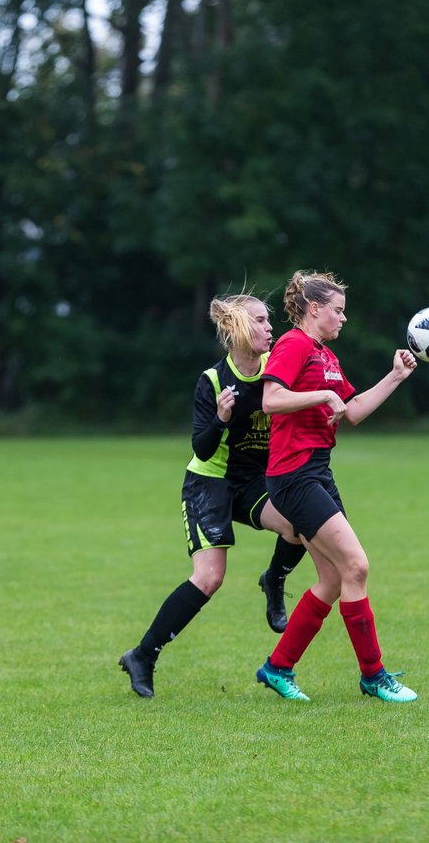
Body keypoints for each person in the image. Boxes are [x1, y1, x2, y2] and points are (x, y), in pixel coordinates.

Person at [119, 294, 308, 699]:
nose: (270, 328)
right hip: (211, 484)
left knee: (299, 525)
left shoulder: (277, 366)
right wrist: (221, 419)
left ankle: (273, 580)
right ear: (239, 328)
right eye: (260, 320)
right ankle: (143, 655)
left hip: (256, 480)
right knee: (209, 578)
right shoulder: (214, 381)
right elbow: (201, 449)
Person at [254, 270, 420, 703]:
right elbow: (270, 399)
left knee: (331, 577)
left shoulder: (325, 356)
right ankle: (374, 675)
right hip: (294, 473)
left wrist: (395, 376)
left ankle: (277, 667)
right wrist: (320, 398)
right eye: (338, 311)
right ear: (314, 309)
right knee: (356, 566)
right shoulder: (292, 344)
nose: (344, 319)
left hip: (317, 471)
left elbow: (353, 411)